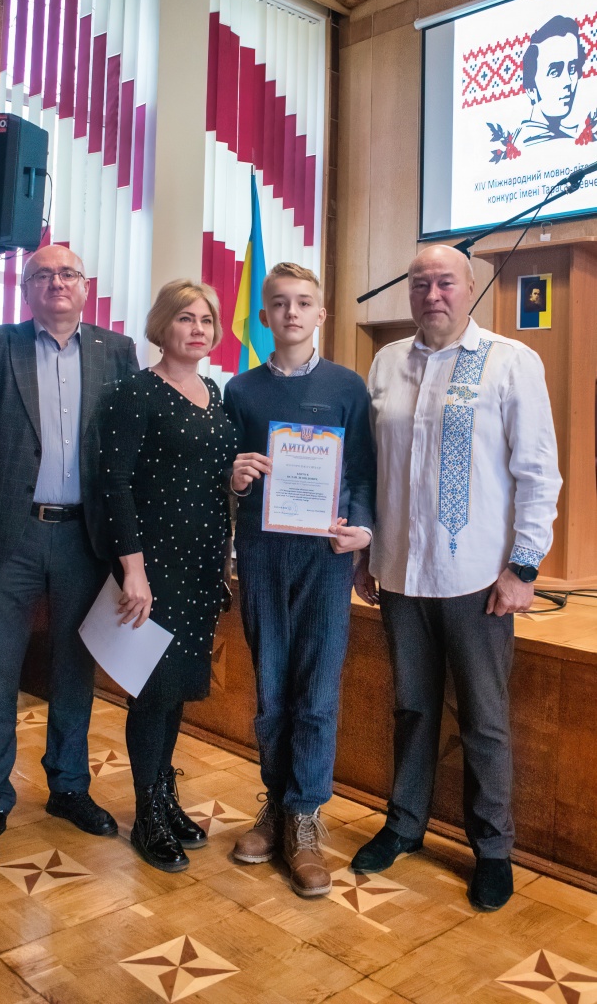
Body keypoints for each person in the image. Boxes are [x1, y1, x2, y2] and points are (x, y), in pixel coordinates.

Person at [351, 244, 562, 911]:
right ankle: (404, 823)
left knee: (483, 720)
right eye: (420, 283)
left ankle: (492, 849)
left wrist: (523, 566)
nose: (432, 293)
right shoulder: (386, 362)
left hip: (478, 580)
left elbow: (538, 471)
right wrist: (366, 551)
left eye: (445, 281)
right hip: (400, 573)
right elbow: (371, 467)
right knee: (412, 708)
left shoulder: (510, 361)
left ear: (470, 287)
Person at [0, 244, 139, 866]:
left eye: (68, 273)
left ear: (86, 286)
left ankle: (69, 787)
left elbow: (128, 453)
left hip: (86, 540)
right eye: (43, 275)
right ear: (26, 288)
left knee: (75, 669)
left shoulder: (117, 351)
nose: (57, 282)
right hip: (8, 539)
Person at [224, 262, 376, 899]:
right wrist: (234, 478)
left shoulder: (347, 386)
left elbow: (363, 473)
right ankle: (276, 805)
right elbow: (225, 472)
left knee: (316, 688)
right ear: (264, 317)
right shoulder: (241, 390)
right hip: (262, 554)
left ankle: (305, 815)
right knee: (271, 686)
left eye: (303, 302)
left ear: (321, 314)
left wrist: (360, 529)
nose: (291, 313)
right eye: (280, 303)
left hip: (324, 557)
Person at [99, 279, 236, 873]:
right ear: (163, 325)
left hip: (201, 563)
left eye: (206, 319)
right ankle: (146, 815)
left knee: (177, 687)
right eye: (186, 318)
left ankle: (164, 796)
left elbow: (209, 474)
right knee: (152, 691)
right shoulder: (134, 392)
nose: (198, 329)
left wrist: (236, 478)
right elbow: (114, 485)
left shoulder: (214, 391)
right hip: (153, 566)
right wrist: (133, 571)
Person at [517, 15, 585, 146]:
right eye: (555, 72)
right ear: (531, 89)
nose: (568, 82)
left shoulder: (572, 137)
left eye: (572, 69)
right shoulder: (528, 144)